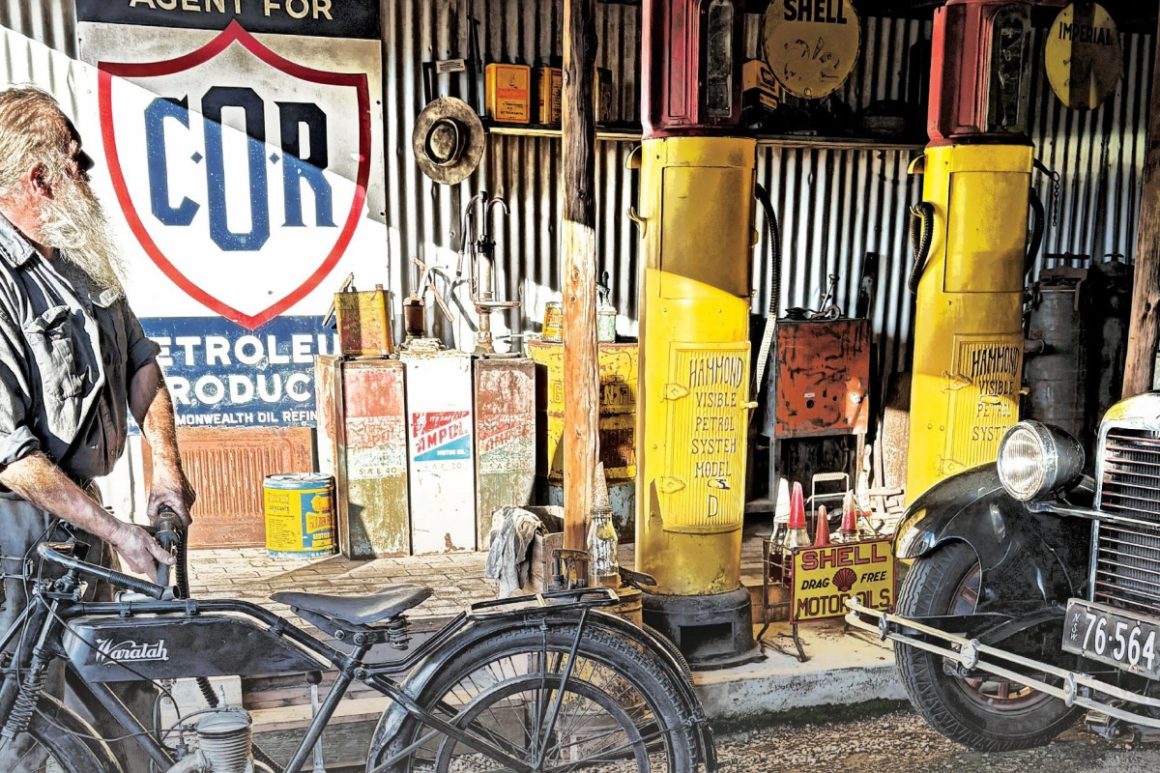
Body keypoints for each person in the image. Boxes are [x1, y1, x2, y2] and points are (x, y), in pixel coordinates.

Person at [0, 85, 195, 769]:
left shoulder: (80, 256)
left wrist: (165, 467)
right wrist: (118, 532)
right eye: (75, 161)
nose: (87, 174)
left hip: (84, 520)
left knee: (122, 677)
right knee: (28, 710)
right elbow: (15, 457)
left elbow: (141, 363)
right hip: (18, 537)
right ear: (38, 177)